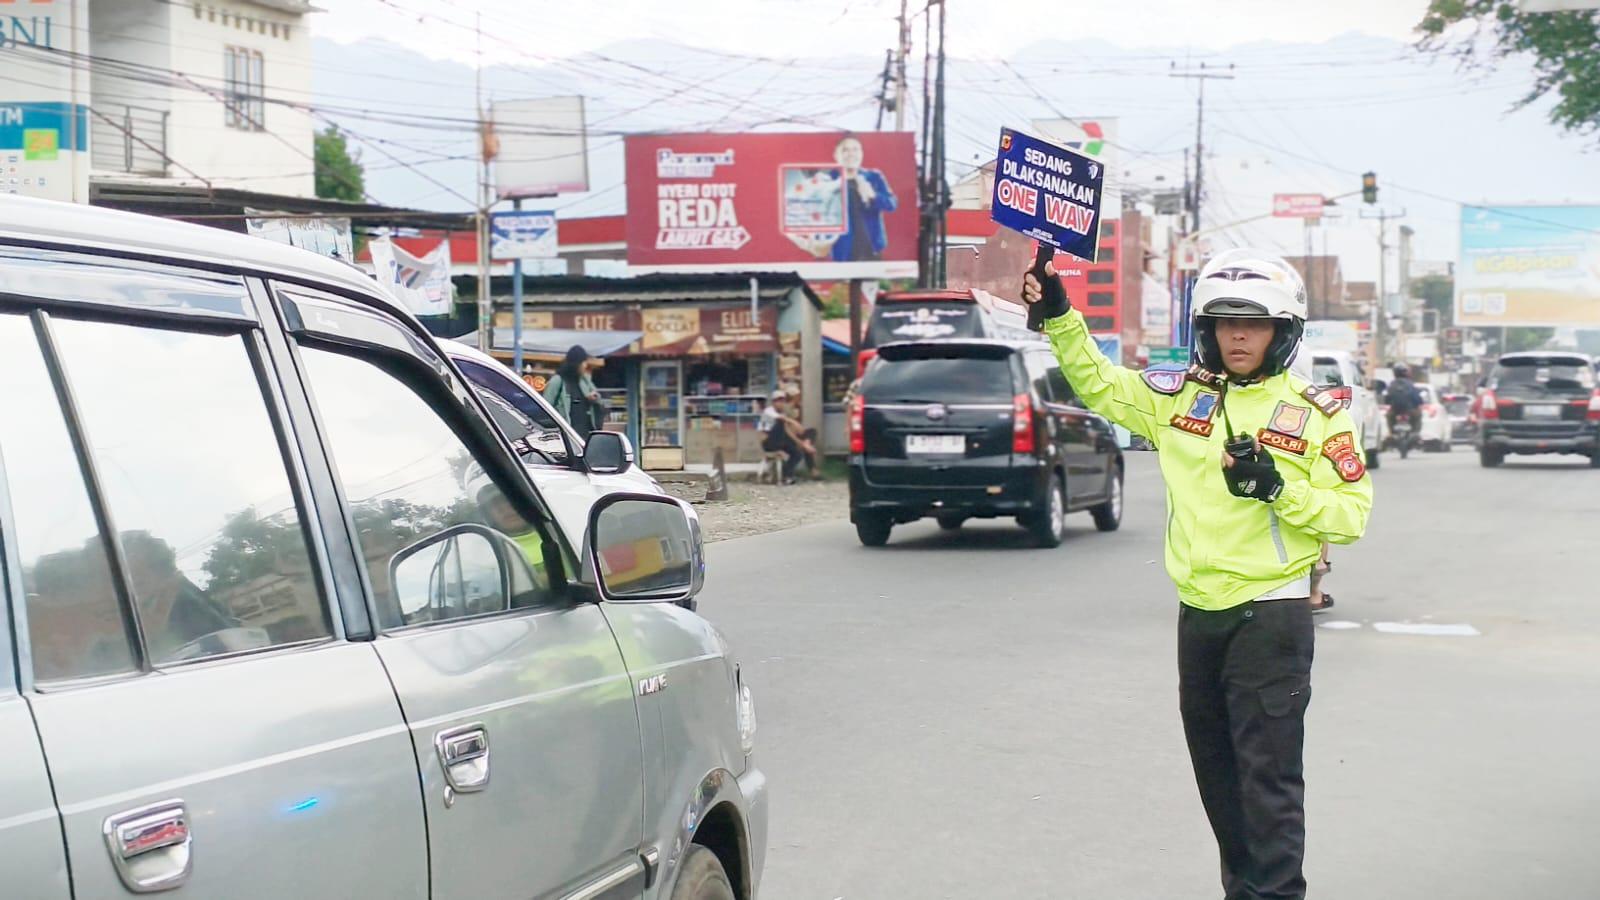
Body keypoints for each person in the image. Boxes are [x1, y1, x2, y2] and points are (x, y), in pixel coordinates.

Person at [1023, 247, 1373, 900]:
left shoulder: (1320, 415)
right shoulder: (1179, 400)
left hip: (1271, 615)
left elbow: (1351, 516)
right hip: (1199, 615)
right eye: (1221, 322)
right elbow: (1099, 384)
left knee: (1266, 782)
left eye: (1254, 322)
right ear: (1204, 331)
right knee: (1218, 779)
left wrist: (1275, 489)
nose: (1236, 335)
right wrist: (1061, 315)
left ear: (1283, 331)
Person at [829, 135, 897, 262]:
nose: (851, 154)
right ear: (836, 155)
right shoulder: (828, 179)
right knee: (842, 282)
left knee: (871, 282)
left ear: (861, 154)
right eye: (845, 150)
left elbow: (891, 204)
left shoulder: (874, 177)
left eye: (855, 149)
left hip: (871, 246)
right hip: (841, 249)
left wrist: (873, 195)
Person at [542, 345, 603, 439]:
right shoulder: (558, 381)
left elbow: (599, 399)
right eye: (583, 362)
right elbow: (544, 408)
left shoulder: (584, 380)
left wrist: (593, 398)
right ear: (576, 363)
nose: (585, 365)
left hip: (585, 437)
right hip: (566, 437)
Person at [758, 392, 818, 483]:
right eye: (778, 401)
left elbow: (788, 432)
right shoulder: (768, 411)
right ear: (773, 402)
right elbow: (783, 422)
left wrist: (800, 444)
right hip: (769, 442)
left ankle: (787, 475)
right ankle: (806, 446)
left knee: (797, 453)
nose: (781, 403)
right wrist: (794, 423)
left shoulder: (782, 414)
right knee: (781, 423)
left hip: (781, 440)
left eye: (782, 401)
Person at [1384, 362, 1424, 435]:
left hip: (1395, 410)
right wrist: (1419, 404)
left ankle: (1391, 433)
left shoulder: (1392, 384)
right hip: (1410, 410)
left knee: (1388, 416)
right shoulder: (1410, 384)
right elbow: (1417, 398)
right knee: (1418, 416)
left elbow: (1387, 399)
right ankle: (1415, 434)